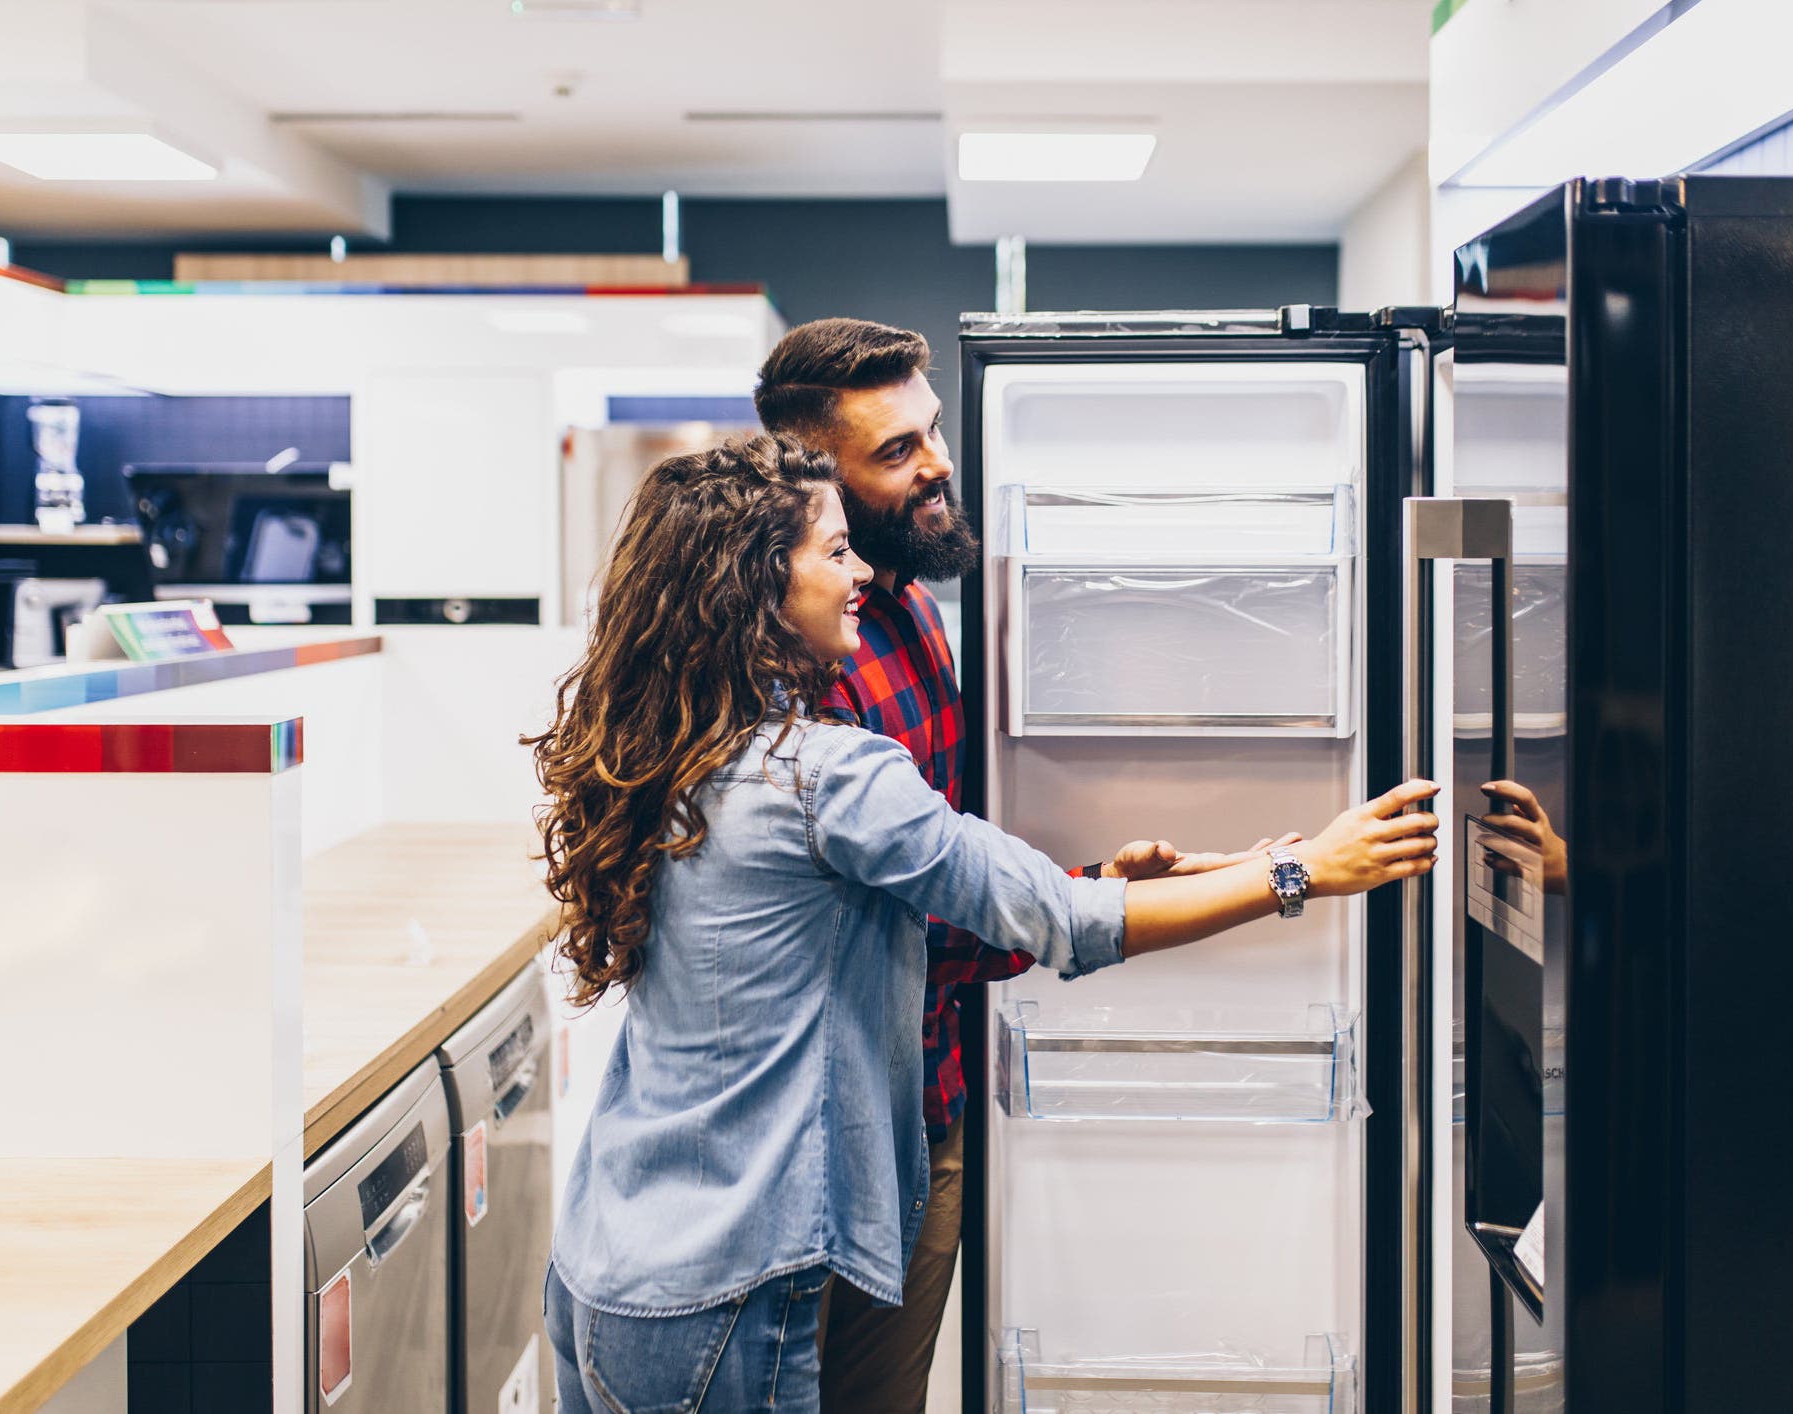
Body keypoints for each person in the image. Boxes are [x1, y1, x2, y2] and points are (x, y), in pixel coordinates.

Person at [531, 433, 1438, 1412]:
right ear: (756, 584)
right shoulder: (827, 774)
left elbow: (981, 894)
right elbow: (1067, 920)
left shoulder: (668, 743)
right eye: (835, 552)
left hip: (604, 1274)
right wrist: (1304, 873)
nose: (865, 574)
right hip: (729, 1295)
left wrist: (1221, 865)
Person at [754, 316, 1291, 1406]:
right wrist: (1260, 879)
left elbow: (944, 855)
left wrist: (1092, 879)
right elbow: (917, 911)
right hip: (829, 1131)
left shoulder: (903, 603)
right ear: (811, 481)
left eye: (934, 430)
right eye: (896, 451)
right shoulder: (803, 669)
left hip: (930, 1089)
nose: (939, 464)